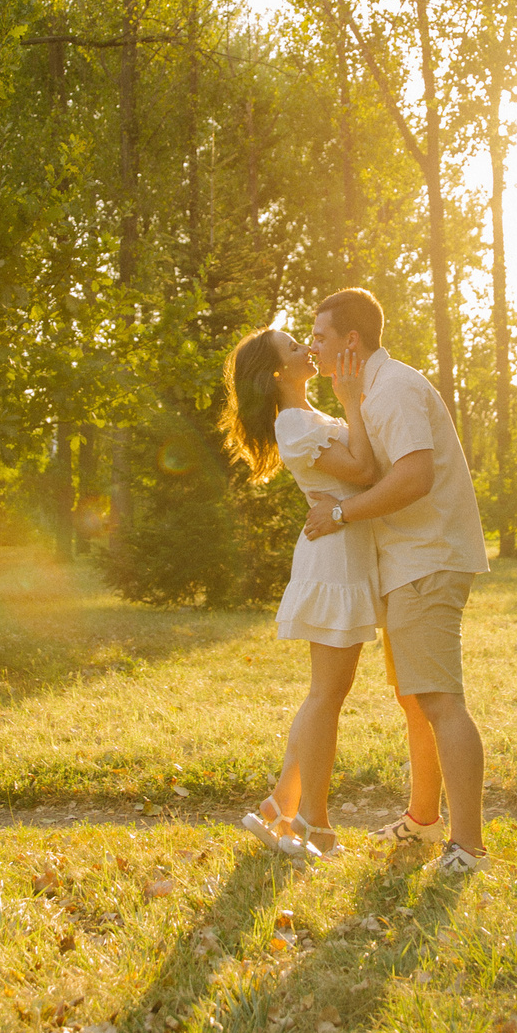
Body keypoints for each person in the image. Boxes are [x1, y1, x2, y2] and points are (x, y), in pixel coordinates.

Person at [302, 287, 492, 875]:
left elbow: (414, 478)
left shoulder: (395, 390)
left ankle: (469, 847)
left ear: (350, 341)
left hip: (428, 559)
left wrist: (338, 514)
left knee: (439, 699)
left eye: (320, 336)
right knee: (416, 698)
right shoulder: (369, 393)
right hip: (407, 562)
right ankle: (424, 819)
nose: (312, 347)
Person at [219, 324, 384, 860]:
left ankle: (278, 807)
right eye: (295, 347)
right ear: (277, 373)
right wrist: (354, 401)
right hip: (332, 562)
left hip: (343, 552)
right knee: (327, 695)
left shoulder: (306, 417)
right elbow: (362, 470)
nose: (307, 348)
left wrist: (349, 405)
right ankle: (316, 823)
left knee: (326, 694)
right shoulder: (292, 422)